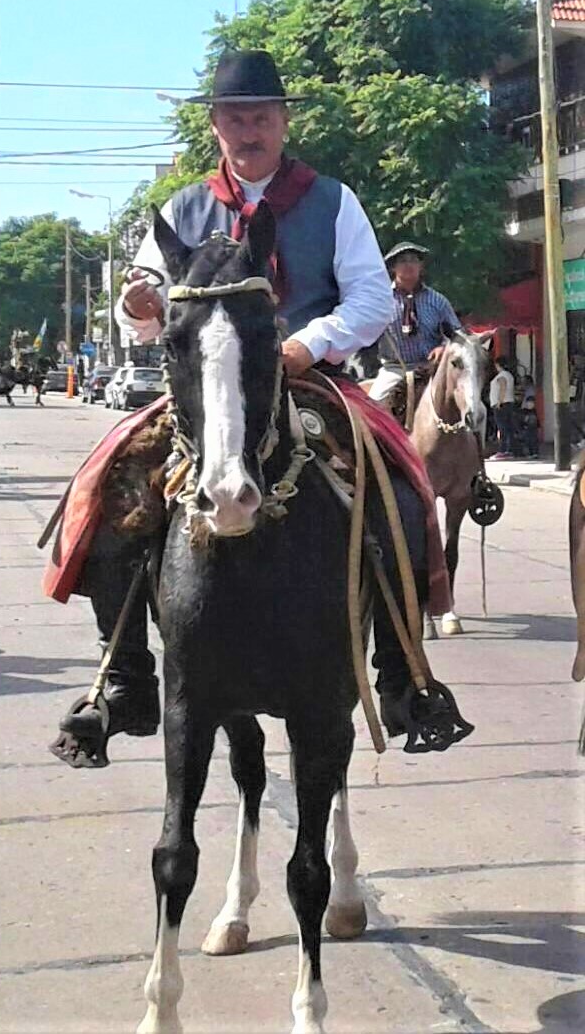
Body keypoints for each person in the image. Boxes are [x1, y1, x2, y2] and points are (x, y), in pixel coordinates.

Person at [47, 50, 456, 767]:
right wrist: (135, 304)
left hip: (308, 377)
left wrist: (306, 345)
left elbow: (369, 297)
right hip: (206, 388)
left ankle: (402, 676)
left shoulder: (333, 200)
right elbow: (144, 308)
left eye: (261, 117)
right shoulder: (182, 208)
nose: (249, 130)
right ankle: (125, 677)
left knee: (404, 490)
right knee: (106, 487)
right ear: (216, 125)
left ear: (283, 122)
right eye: (235, 118)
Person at [367, 242, 461, 403]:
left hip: (432, 369)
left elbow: (458, 335)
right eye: (403, 261)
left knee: (465, 401)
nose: (409, 265)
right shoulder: (380, 300)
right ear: (393, 267)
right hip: (395, 370)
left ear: (421, 266)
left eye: (413, 260)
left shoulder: (438, 301)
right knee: (373, 407)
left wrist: (444, 347)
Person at [489, 356, 515, 460]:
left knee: (502, 427)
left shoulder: (502, 376)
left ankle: (503, 450)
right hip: (508, 403)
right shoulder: (509, 375)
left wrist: (499, 401)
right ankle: (509, 449)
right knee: (507, 427)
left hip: (502, 404)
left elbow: (503, 387)